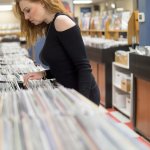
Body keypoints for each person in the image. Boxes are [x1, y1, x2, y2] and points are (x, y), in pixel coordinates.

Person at [15, 0, 100, 105]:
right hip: (69, 94)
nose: (26, 17)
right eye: (24, 13)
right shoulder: (50, 26)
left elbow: (84, 68)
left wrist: (82, 103)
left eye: (28, 10)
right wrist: (44, 74)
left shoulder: (61, 21)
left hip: (82, 95)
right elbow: (65, 66)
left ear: (42, 2)